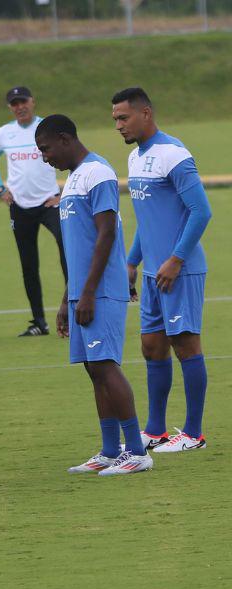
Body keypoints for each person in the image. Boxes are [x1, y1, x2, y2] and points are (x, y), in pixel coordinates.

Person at [34, 114, 153, 476]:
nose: (44, 157)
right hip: (83, 292)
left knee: (104, 364)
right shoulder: (72, 180)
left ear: (65, 138)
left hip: (101, 291)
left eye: (46, 149)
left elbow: (106, 236)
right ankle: (109, 449)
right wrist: (67, 299)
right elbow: (79, 246)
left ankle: (136, 451)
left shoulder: (97, 173)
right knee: (93, 368)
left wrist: (86, 293)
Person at [113, 87, 212, 453]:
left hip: (179, 270)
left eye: (124, 118)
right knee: (152, 347)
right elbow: (147, 219)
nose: (119, 126)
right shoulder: (136, 158)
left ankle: (193, 434)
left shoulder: (173, 154)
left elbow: (201, 211)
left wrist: (176, 258)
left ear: (146, 114)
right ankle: (155, 431)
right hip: (154, 272)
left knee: (186, 345)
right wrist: (132, 262)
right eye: (115, 120)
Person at [0, 86, 68, 337]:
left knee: (68, 252)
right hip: (19, 206)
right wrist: (0, 189)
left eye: (23, 102)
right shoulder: (4, 134)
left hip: (49, 203)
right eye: (14, 103)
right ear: (10, 107)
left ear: (33, 102)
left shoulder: (48, 128)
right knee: (28, 264)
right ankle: (39, 322)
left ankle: (72, 313)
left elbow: (72, 155)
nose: (20, 107)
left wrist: (62, 193)